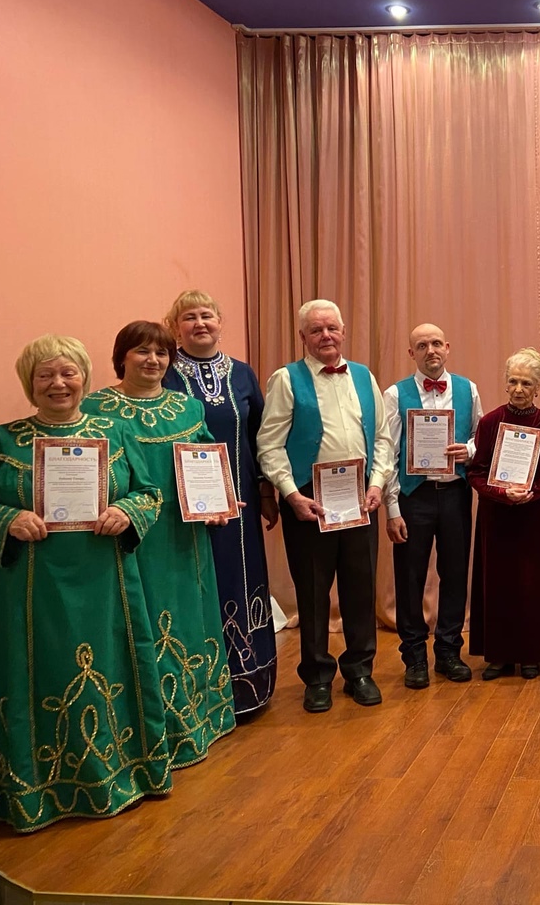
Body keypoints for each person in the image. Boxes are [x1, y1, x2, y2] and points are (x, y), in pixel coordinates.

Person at [0, 336, 172, 832]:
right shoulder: (4, 440)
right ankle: (33, 789)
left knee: (113, 662)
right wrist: (6, 518)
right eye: (45, 375)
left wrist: (125, 510)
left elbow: (149, 493)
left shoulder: (114, 432)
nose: (58, 383)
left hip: (106, 581)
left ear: (84, 378)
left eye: (67, 373)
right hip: (31, 588)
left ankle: (125, 772)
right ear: (29, 383)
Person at [85, 322, 235, 765]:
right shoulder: (95, 408)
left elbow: (206, 461)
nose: (152, 360)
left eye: (161, 353)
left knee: (186, 621)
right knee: (136, 623)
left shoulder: (188, 407)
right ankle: (140, 734)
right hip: (127, 538)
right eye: (141, 351)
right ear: (121, 357)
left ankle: (192, 722)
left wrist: (220, 502)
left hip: (183, 537)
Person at [258, 300, 394, 713]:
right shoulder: (286, 379)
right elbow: (269, 444)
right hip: (308, 501)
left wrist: (377, 483)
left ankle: (359, 671)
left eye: (332, 328)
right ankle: (317, 677)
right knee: (313, 591)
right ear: (303, 337)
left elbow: (383, 438)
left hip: (360, 498)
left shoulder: (365, 377)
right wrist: (290, 494)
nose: (326, 336)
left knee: (360, 587)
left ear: (344, 331)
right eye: (316, 330)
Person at [163, 290, 279, 717]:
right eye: (189, 317)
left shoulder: (243, 374)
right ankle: (201, 693)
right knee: (197, 584)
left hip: (241, 505)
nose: (199, 323)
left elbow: (261, 436)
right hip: (185, 509)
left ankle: (250, 686)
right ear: (175, 327)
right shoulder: (164, 374)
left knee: (241, 579)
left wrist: (266, 492)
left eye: (206, 315)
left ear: (219, 322)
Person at [382, 323, 482, 688]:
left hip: (455, 493)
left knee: (455, 574)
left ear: (448, 347)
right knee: (410, 577)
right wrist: (392, 508)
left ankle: (449, 651)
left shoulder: (468, 389)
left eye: (437, 343)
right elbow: (387, 453)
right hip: (414, 496)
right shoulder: (395, 394)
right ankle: (414, 656)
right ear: (412, 353)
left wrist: (468, 450)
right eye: (422, 345)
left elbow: (480, 436)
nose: (431, 351)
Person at [466, 348, 540, 679]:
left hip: (535, 517)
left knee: (532, 585)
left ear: (537, 387)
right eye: (513, 381)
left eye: (526, 383)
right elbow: (476, 472)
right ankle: (499, 656)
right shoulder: (489, 422)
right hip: (497, 516)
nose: (519, 389)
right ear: (505, 383)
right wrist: (501, 493)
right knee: (498, 583)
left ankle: (531, 655)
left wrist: (533, 491)